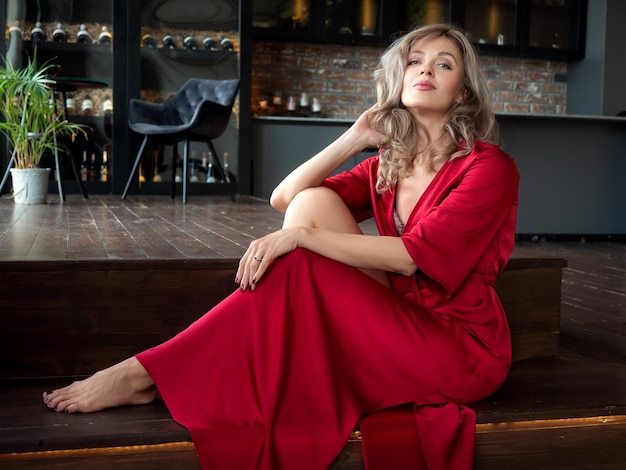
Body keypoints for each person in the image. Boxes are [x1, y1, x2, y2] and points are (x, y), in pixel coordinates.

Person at [43, 23, 519, 469]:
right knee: (313, 202)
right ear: (399, 77)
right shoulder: (387, 166)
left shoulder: (488, 167)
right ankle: (149, 373)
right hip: (396, 316)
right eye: (415, 61)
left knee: (299, 257)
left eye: (444, 64)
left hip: (457, 346)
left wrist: (301, 238)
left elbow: (413, 259)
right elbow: (285, 198)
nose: (426, 71)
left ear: (464, 91)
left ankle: (144, 373)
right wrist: (353, 139)